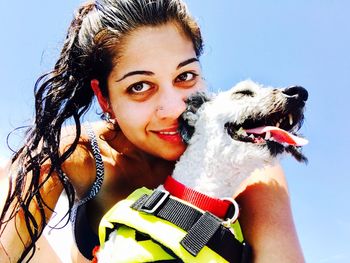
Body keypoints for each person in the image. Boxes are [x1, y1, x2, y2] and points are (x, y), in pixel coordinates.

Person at [0, 0, 305, 262]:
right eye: (140, 87)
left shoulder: (245, 161)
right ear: (104, 97)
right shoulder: (76, 153)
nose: (174, 109)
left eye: (185, 76)